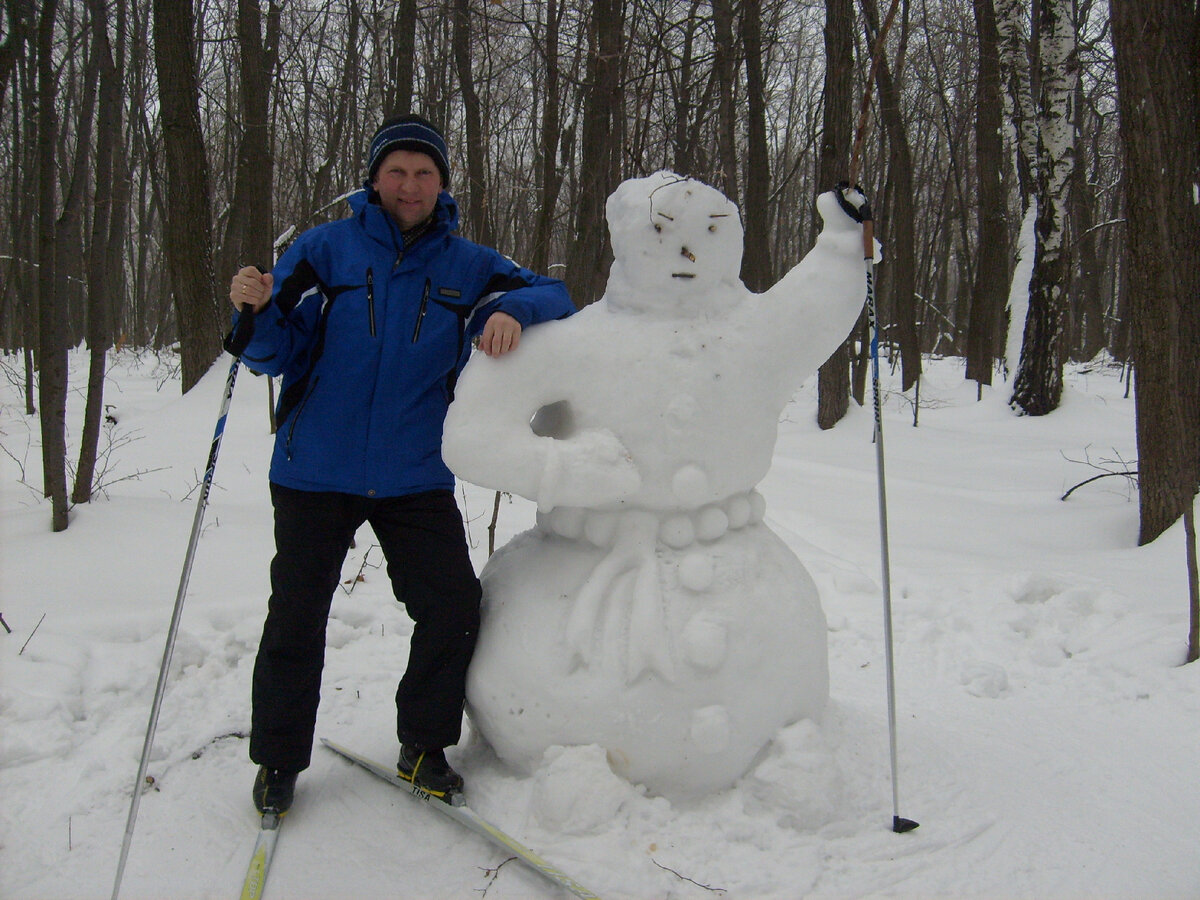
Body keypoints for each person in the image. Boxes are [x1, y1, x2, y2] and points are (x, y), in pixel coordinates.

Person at [227, 114, 574, 814]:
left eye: (423, 172)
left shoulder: (468, 264)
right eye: (397, 171)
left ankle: (423, 745)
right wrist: (257, 311)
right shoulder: (323, 250)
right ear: (375, 179)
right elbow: (272, 352)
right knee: (296, 617)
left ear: (442, 182)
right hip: (313, 469)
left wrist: (507, 311)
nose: (409, 185)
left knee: (451, 608)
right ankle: (278, 763)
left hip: (413, 472)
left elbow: (556, 293)